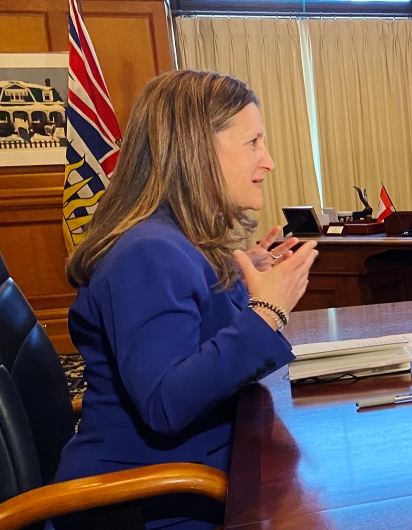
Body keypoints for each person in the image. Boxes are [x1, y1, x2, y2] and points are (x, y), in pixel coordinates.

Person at [54, 70, 319, 529]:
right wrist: (266, 311)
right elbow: (166, 401)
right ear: (197, 151)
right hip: (148, 502)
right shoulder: (148, 252)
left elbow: (195, 337)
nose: (268, 161)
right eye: (253, 142)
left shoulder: (177, 241)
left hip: (191, 474)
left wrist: (239, 279)